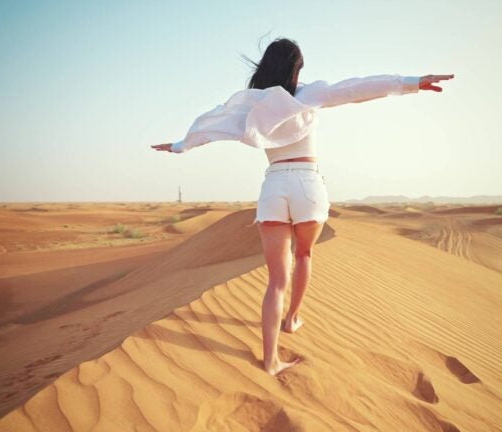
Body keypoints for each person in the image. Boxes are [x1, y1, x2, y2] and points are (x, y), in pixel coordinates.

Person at [151, 37, 453, 376]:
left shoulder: (252, 106)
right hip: (308, 185)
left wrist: (179, 146)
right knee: (305, 255)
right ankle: (292, 319)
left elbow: (212, 124)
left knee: (276, 281)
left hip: (274, 186)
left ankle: (270, 362)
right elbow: (357, 89)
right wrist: (412, 83)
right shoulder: (310, 94)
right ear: (296, 68)